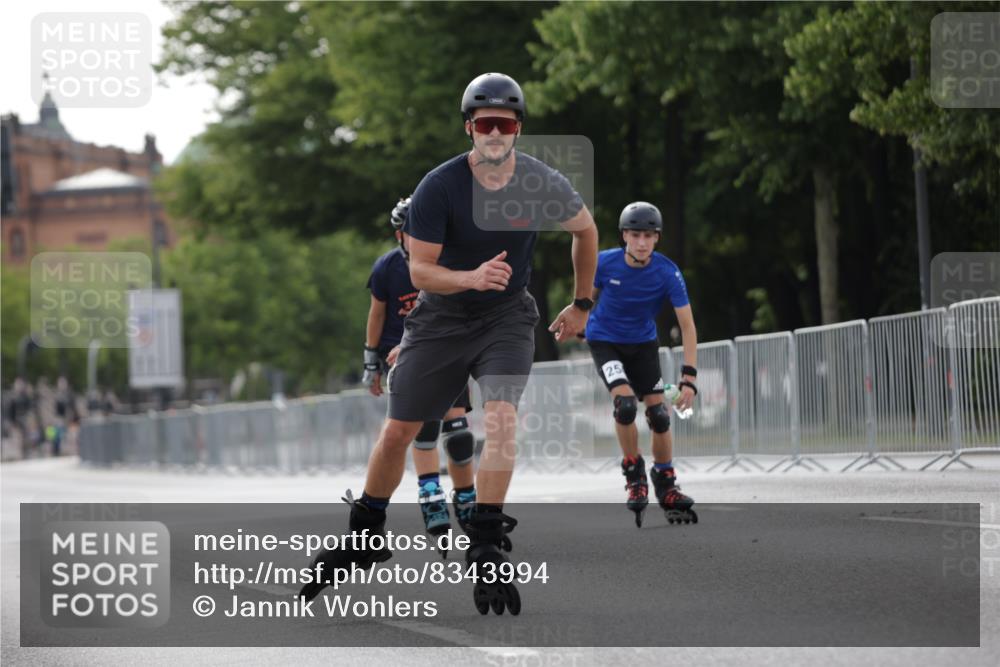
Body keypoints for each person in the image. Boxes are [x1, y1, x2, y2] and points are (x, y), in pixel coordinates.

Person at [301, 73, 599, 615]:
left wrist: (582, 304)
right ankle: (365, 535)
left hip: (507, 317)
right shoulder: (438, 187)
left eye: (504, 124)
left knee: (503, 418)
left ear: (517, 130)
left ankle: (484, 541)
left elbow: (586, 230)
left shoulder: (540, 181)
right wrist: (469, 277)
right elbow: (419, 270)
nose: (494, 132)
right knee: (398, 432)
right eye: (484, 123)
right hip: (439, 319)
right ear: (469, 128)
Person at [362, 195, 478, 541]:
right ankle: (430, 494)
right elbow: (377, 314)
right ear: (399, 236)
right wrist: (371, 359)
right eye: (408, 232)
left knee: (458, 435)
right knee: (424, 427)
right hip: (402, 357)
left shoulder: (446, 263)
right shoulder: (387, 268)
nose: (415, 237)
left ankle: (468, 500)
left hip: (444, 349)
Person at [584, 201, 699, 527]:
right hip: (605, 340)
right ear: (624, 236)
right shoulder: (604, 263)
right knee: (624, 406)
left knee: (660, 414)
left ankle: (665, 482)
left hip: (644, 344)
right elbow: (585, 299)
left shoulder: (667, 271)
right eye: (635, 235)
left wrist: (688, 377)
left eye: (649, 235)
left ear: (657, 238)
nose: (642, 243)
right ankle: (634, 474)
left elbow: (688, 325)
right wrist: (575, 318)